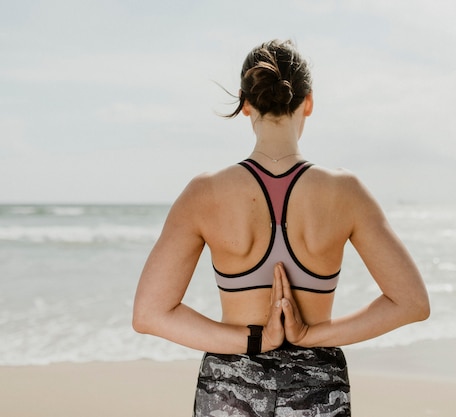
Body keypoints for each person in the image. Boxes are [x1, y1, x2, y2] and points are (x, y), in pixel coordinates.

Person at [133, 39, 430, 417]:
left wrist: (256, 338)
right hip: (317, 388)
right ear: (308, 102)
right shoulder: (346, 193)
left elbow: (149, 315)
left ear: (245, 104)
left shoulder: (204, 193)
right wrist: (310, 335)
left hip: (230, 386)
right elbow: (412, 303)